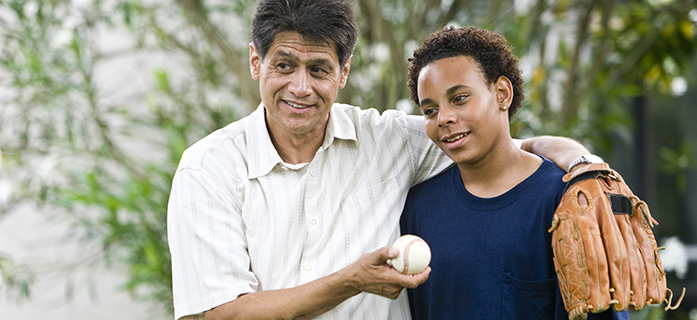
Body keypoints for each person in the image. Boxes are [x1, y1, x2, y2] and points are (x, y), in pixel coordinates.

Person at [167, 1, 601, 319]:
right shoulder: (208, 169)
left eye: (318, 69)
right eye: (284, 65)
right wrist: (351, 281)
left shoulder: (388, 140)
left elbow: (500, 142)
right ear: (256, 62)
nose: (300, 87)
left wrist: (585, 167)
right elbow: (220, 315)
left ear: (344, 73)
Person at [401, 26, 628, 319]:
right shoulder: (419, 208)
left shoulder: (564, 201)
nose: (444, 118)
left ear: (502, 94)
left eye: (459, 98)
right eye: (429, 110)